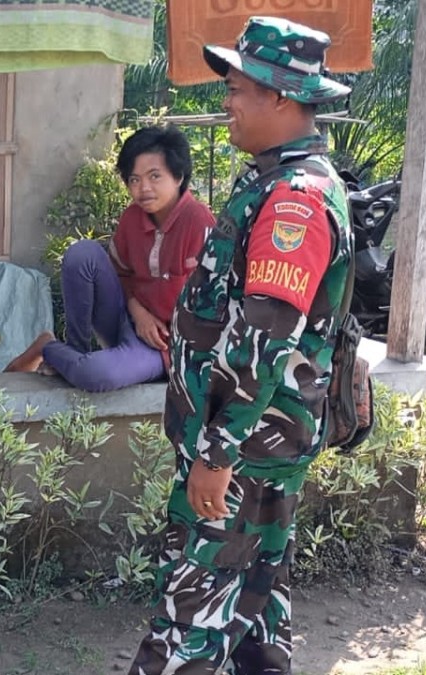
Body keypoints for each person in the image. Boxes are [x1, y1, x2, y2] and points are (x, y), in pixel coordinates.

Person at [127, 16, 353, 675]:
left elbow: (266, 336)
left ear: (280, 97)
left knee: (188, 621)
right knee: (255, 605)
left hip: (246, 450)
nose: (226, 101)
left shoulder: (295, 200)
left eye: (237, 88)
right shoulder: (273, 180)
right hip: (256, 442)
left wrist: (217, 452)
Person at [4, 125, 214, 392]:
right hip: (128, 319)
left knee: (97, 375)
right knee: (83, 253)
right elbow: (121, 275)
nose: (144, 188)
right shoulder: (132, 218)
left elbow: (210, 302)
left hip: (163, 345)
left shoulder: (198, 221)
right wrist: (139, 314)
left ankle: (49, 348)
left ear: (178, 176)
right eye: (134, 179)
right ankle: (75, 349)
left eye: (154, 176)